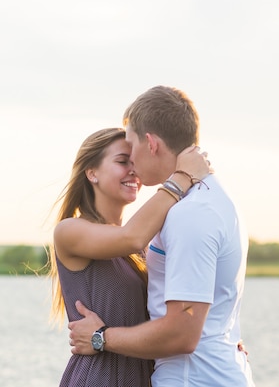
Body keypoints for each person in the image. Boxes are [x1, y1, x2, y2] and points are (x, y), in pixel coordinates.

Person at [68, 86, 255, 386]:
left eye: (131, 149)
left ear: (151, 144)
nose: (132, 166)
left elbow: (182, 333)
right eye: (121, 160)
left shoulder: (190, 213)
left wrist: (100, 337)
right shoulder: (210, 201)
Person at [49, 127, 210, 386]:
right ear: (92, 173)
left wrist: (216, 343)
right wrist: (182, 177)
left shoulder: (142, 247)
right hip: (100, 377)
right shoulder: (70, 231)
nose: (133, 170)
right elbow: (131, 236)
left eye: (134, 161)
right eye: (123, 162)